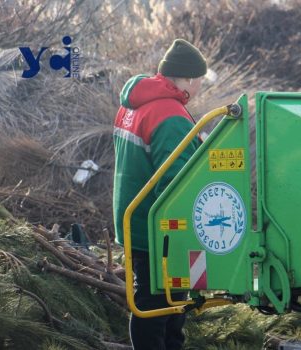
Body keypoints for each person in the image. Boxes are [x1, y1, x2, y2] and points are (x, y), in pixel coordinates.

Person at [112, 39, 206, 350]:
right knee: (162, 307)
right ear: (190, 79)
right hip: (160, 230)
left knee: (154, 301)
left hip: (133, 220)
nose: (202, 87)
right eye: (201, 81)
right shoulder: (171, 114)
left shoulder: (132, 104)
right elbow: (175, 182)